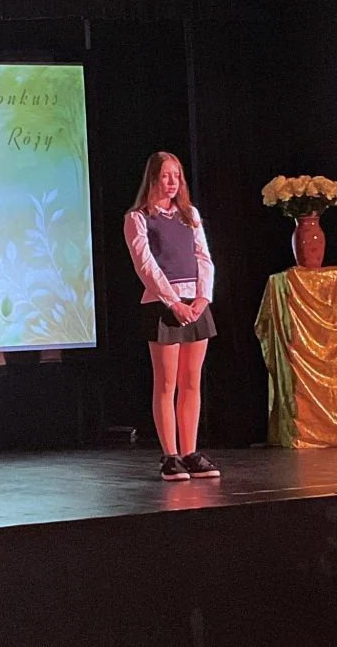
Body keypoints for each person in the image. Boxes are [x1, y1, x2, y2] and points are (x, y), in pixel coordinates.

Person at [123, 152, 220, 481]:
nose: (172, 182)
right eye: (166, 176)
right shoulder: (138, 218)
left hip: (195, 304)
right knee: (166, 383)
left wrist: (203, 298)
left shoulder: (189, 215)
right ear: (153, 178)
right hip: (163, 305)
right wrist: (173, 302)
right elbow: (146, 265)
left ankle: (190, 452)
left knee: (191, 381)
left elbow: (203, 257)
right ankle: (170, 455)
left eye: (176, 176)